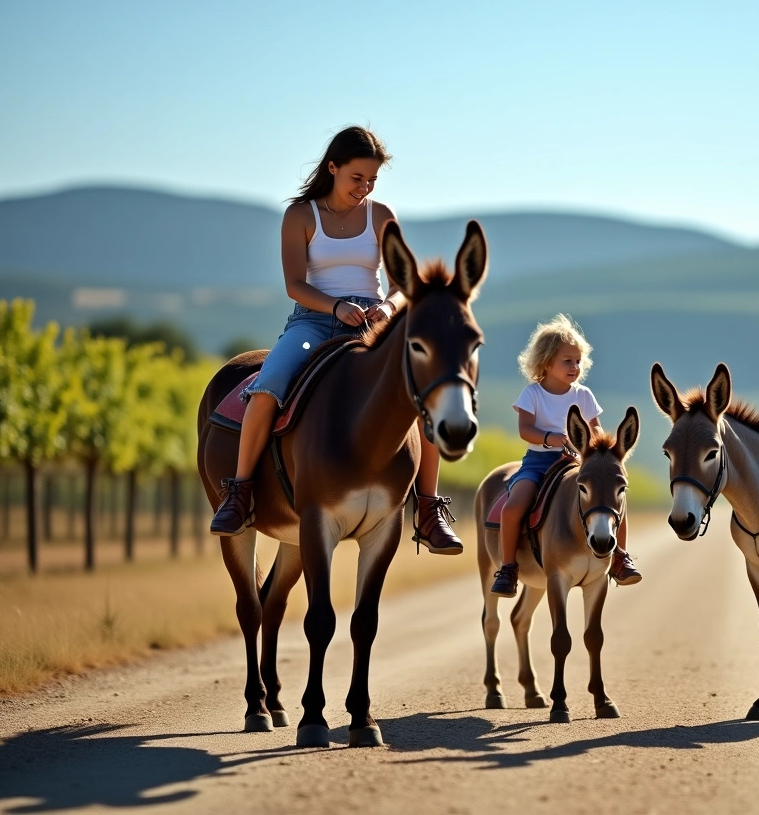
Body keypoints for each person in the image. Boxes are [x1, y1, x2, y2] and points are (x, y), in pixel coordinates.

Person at [209, 126, 461, 554]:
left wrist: (388, 308)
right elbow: (294, 285)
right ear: (332, 168)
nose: (364, 188)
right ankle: (240, 492)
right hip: (312, 322)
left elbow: (404, 284)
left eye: (372, 181)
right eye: (356, 178)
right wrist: (335, 307)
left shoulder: (382, 215)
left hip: (373, 325)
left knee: (425, 397)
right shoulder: (300, 216)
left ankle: (428, 509)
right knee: (266, 388)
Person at [490, 314, 642, 596]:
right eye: (567, 360)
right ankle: (508, 568)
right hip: (538, 463)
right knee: (513, 507)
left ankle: (620, 557)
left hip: (577, 463)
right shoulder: (532, 394)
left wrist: (594, 449)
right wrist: (552, 438)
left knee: (614, 501)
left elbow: (596, 430)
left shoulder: (583, 395)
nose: (575, 367)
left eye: (578, 361)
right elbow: (525, 430)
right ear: (547, 362)